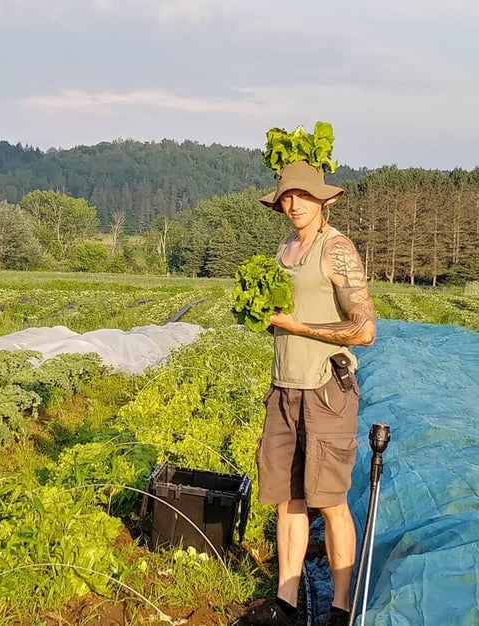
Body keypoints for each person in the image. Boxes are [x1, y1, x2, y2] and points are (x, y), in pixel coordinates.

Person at [241, 160, 376, 626]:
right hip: (283, 387)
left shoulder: (335, 249)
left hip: (325, 390)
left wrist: (298, 326)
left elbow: (364, 330)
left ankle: (340, 608)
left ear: (326, 200)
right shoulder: (285, 247)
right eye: (286, 197)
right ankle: (286, 602)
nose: (294, 204)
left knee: (331, 501)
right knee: (288, 498)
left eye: (304, 195)